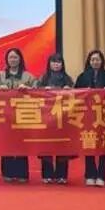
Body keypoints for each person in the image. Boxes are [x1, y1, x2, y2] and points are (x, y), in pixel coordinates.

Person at [0, 47, 37, 183]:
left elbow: (38, 91)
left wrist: (28, 89)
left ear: (20, 59)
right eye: (10, 57)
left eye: (15, 57)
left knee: (22, 143)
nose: (13, 60)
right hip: (4, 115)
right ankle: (7, 173)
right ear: (7, 60)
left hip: (23, 114)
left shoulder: (28, 76)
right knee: (7, 143)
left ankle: (22, 173)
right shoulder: (0, 76)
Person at [74, 49, 105, 187]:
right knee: (89, 143)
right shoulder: (82, 77)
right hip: (87, 116)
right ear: (89, 61)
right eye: (92, 59)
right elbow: (75, 93)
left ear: (102, 61)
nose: (95, 62)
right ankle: (90, 174)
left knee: (104, 145)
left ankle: (102, 176)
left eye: (97, 59)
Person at [37, 53, 74, 184]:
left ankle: (61, 175)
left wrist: (69, 90)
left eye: (59, 62)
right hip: (46, 117)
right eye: (53, 62)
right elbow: (35, 92)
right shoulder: (43, 78)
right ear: (49, 64)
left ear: (62, 64)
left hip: (63, 117)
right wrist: (43, 90)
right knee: (46, 145)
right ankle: (47, 174)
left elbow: (76, 95)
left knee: (62, 145)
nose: (56, 64)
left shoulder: (68, 78)